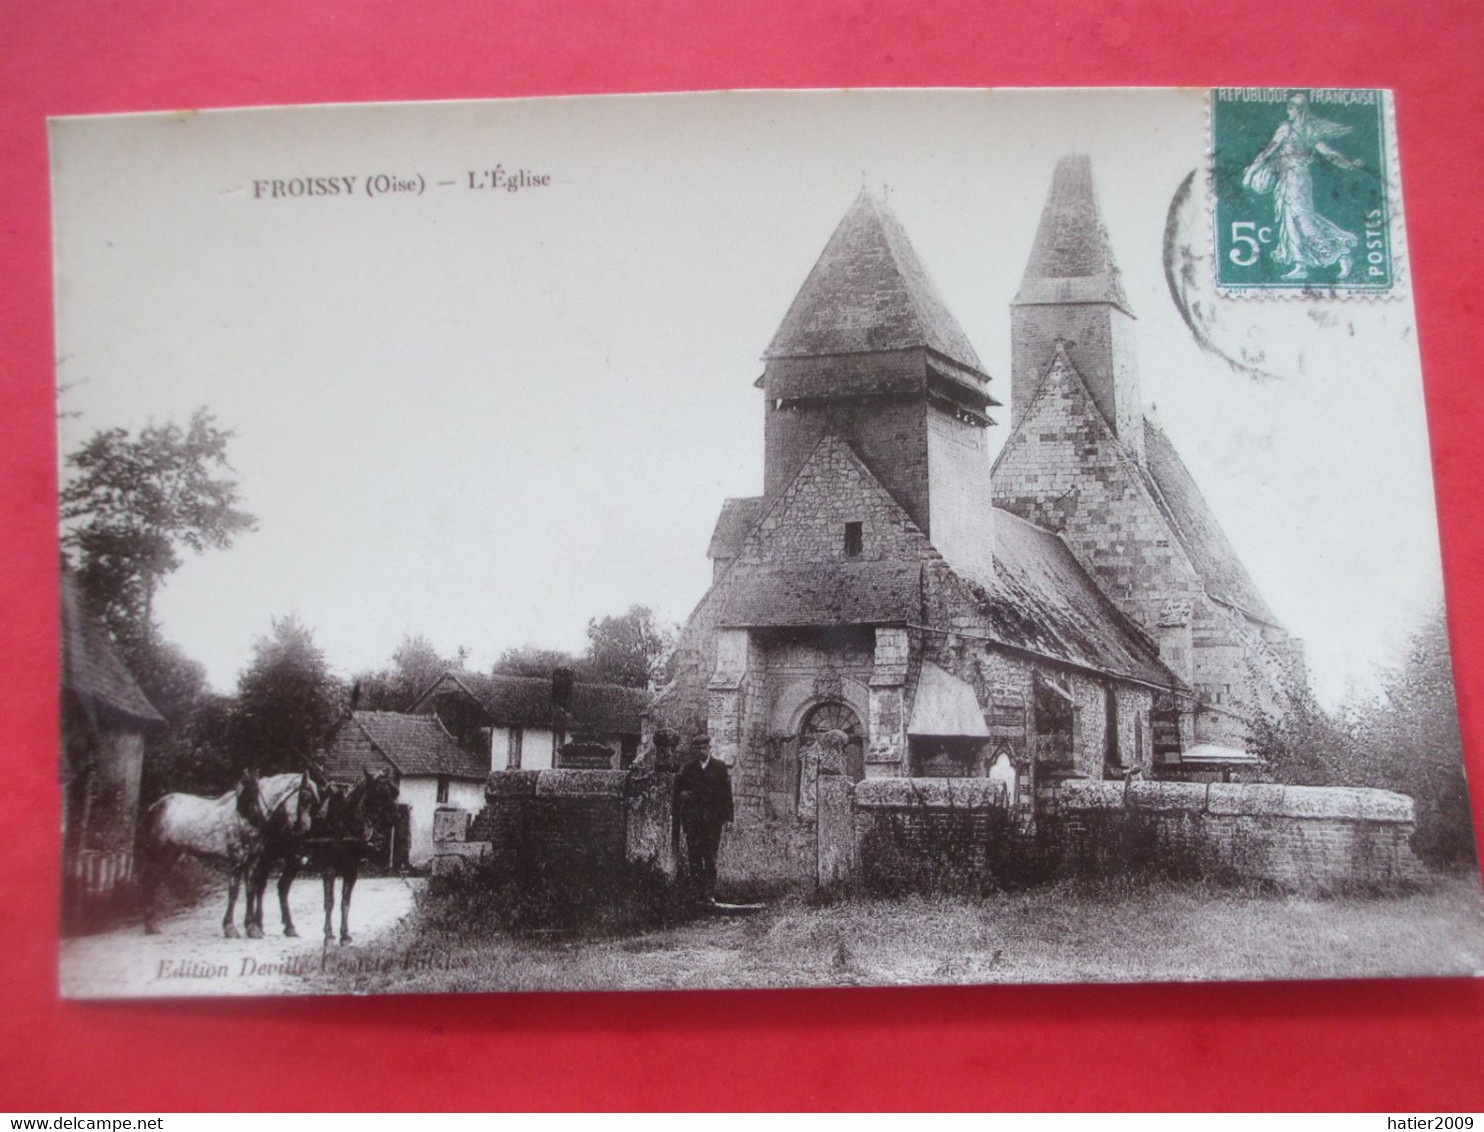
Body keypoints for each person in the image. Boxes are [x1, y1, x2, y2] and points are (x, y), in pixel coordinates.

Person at [1242, 92, 1366, 281]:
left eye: (1290, 107)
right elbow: (1330, 155)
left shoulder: (1287, 129)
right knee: (1290, 222)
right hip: (1291, 178)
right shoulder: (1309, 131)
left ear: (1297, 109)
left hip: (1295, 179)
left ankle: (1342, 256)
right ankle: (1300, 266)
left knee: (1305, 222)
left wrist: (1251, 173)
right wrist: (1349, 164)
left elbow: (1267, 152)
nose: (1287, 111)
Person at [672, 737, 733, 904]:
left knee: (710, 857)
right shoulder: (689, 769)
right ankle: (697, 893)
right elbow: (679, 792)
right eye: (698, 748)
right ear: (694, 750)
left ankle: (709, 893)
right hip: (694, 821)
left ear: (709, 748)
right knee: (694, 856)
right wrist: (684, 796)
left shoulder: (719, 767)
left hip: (712, 821)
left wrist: (727, 818)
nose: (701, 751)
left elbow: (726, 794)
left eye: (704, 747)